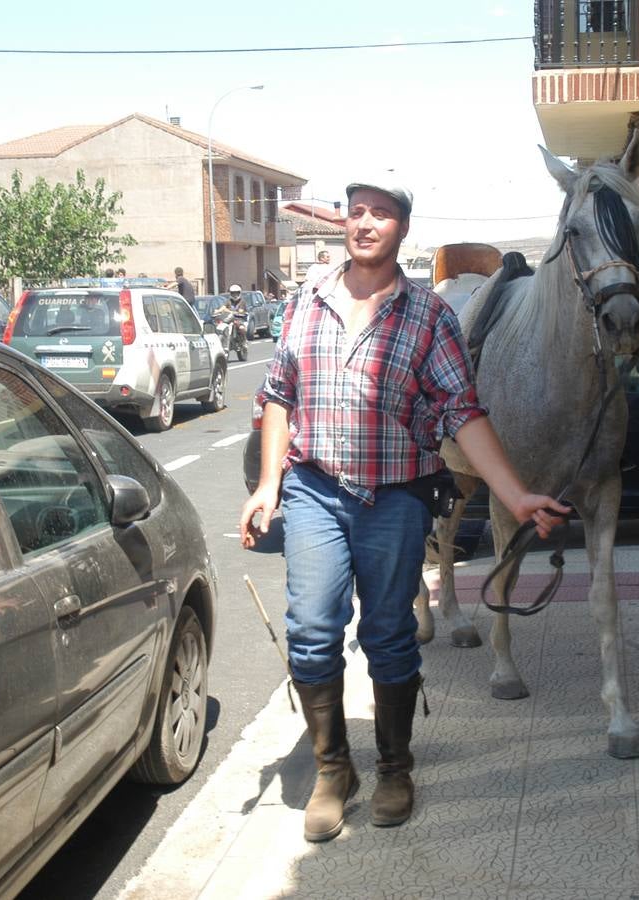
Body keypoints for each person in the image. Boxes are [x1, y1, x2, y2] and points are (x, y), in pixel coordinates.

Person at [239, 180, 568, 843]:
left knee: (388, 632)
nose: (365, 223)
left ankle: (394, 766)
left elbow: (461, 411)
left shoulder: (427, 315)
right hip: (313, 489)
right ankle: (334, 770)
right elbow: (279, 394)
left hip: (395, 495)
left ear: (401, 229)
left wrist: (514, 494)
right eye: (356, 211)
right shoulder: (306, 300)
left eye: (380, 213)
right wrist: (267, 483)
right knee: (309, 630)